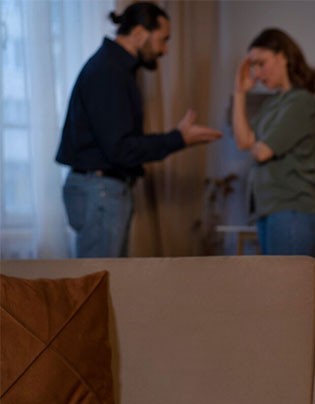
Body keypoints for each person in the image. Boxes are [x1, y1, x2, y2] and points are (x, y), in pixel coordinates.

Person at [56, 1, 223, 258]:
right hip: (101, 191)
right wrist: (178, 139)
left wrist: (178, 138)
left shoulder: (114, 69)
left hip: (100, 190)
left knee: (104, 282)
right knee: (97, 284)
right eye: (162, 40)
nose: (165, 50)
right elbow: (120, 149)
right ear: (139, 33)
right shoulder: (110, 72)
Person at [232, 28, 315, 256]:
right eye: (253, 66)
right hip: (269, 208)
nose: (257, 73)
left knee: (288, 288)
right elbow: (244, 141)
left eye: (261, 63)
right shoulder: (272, 104)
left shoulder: (301, 101)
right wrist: (239, 93)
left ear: (283, 56)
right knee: (276, 287)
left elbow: (262, 151)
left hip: (292, 209)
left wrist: (259, 146)